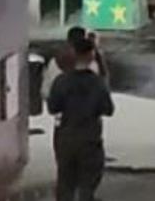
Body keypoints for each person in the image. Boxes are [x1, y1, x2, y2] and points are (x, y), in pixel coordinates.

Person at [48, 36, 115, 201]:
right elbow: (108, 109)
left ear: (74, 54)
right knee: (88, 180)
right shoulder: (97, 83)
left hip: (65, 135)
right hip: (89, 136)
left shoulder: (61, 81)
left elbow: (52, 108)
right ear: (91, 55)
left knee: (65, 180)